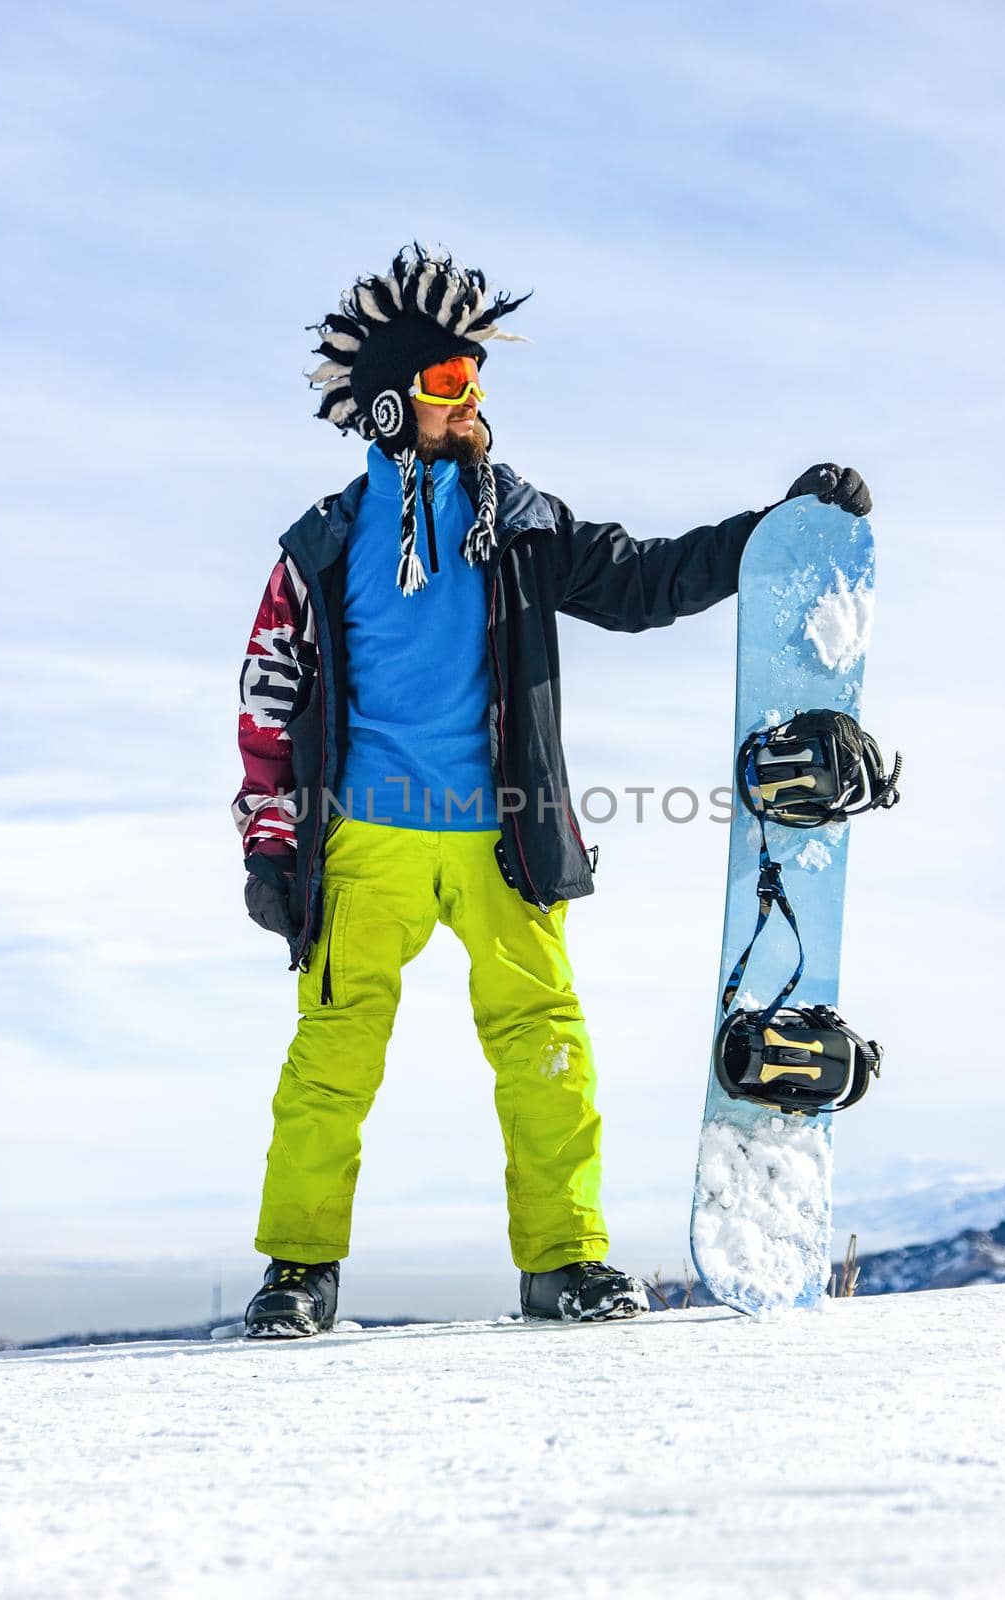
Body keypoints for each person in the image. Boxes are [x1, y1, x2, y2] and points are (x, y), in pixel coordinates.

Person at [234, 243, 872, 1338]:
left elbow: (642, 580)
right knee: (329, 1063)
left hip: (503, 838)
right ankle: (300, 1272)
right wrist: (268, 838)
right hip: (363, 844)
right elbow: (269, 692)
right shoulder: (324, 546)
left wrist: (775, 532)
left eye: (475, 380)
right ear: (391, 404)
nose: (468, 398)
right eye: (445, 381)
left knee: (547, 1052)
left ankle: (564, 1261)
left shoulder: (518, 526)